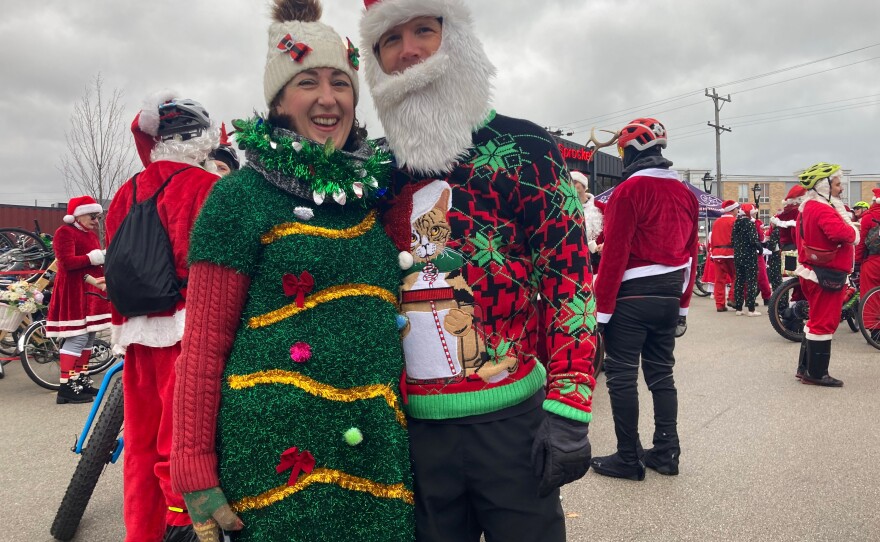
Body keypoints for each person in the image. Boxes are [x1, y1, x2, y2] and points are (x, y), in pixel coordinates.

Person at [170, 2, 415, 541]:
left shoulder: (369, 199)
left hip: (373, 451)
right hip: (274, 465)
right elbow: (205, 343)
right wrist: (191, 465)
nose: (328, 99)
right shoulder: (237, 199)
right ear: (279, 100)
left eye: (340, 83)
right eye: (308, 82)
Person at [360, 1, 595, 540]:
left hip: (512, 424)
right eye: (390, 40)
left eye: (424, 30)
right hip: (410, 432)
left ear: (458, 39)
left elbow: (569, 279)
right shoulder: (371, 171)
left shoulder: (526, 148)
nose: (409, 51)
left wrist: (571, 405)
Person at [104, 93, 221, 542]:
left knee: (140, 444)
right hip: (188, 335)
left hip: (134, 335)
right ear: (203, 140)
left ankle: (142, 532)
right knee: (182, 446)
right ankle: (182, 530)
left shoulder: (125, 193)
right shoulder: (206, 188)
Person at [589, 118, 698, 480]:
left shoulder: (628, 190)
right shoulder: (685, 191)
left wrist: (601, 312)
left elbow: (615, 254)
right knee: (661, 374)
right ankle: (667, 451)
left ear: (629, 151)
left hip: (632, 296)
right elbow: (691, 253)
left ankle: (628, 457)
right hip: (669, 296)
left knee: (621, 376)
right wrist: (683, 305)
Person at [794, 162, 858, 387]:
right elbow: (842, 234)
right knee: (824, 322)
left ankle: (806, 368)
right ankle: (816, 373)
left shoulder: (808, 207)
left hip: (815, 271)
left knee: (815, 320)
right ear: (824, 186)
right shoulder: (821, 208)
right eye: (838, 184)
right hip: (825, 274)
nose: (841, 188)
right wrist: (853, 230)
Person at [45, 195, 112, 404]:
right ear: (79, 215)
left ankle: (80, 378)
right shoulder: (64, 232)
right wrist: (95, 257)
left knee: (89, 337)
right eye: (93, 216)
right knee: (77, 337)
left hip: (89, 291)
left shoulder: (89, 235)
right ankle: (66, 386)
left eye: (98, 217)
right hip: (73, 292)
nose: (96, 221)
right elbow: (65, 263)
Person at [731, 203, 763, 316]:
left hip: (738, 255)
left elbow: (732, 240)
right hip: (749, 256)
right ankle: (751, 309)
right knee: (751, 282)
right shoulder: (750, 224)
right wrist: (760, 248)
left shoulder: (736, 223)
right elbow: (754, 240)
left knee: (739, 281)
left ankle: (739, 308)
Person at [710, 200, 739, 311]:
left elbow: (712, 239)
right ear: (732, 209)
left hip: (717, 254)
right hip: (731, 253)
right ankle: (732, 297)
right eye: (737, 208)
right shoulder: (735, 221)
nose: (738, 210)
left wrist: (712, 253)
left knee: (719, 280)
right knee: (737, 276)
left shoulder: (716, 222)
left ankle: (719, 305)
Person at [855, 189, 880, 300]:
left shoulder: (868, 217)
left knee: (870, 298)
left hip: (873, 262)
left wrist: (857, 261)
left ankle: (870, 317)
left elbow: (861, 243)